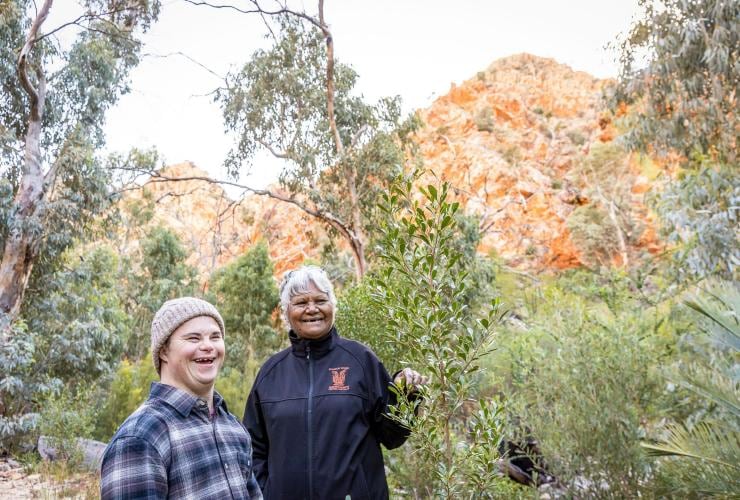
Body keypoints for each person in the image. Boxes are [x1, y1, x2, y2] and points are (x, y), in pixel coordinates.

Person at [243, 266, 428, 500]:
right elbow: (252, 449)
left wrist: (405, 395)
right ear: (286, 311)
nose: (312, 309)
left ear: (333, 305)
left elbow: (393, 436)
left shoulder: (360, 361)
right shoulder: (271, 373)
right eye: (301, 303)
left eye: (320, 300)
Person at [101, 297, 262, 499]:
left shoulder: (232, 427)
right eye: (193, 338)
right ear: (163, 352)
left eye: (215, 337)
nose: (208, 346)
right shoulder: (140, 438)